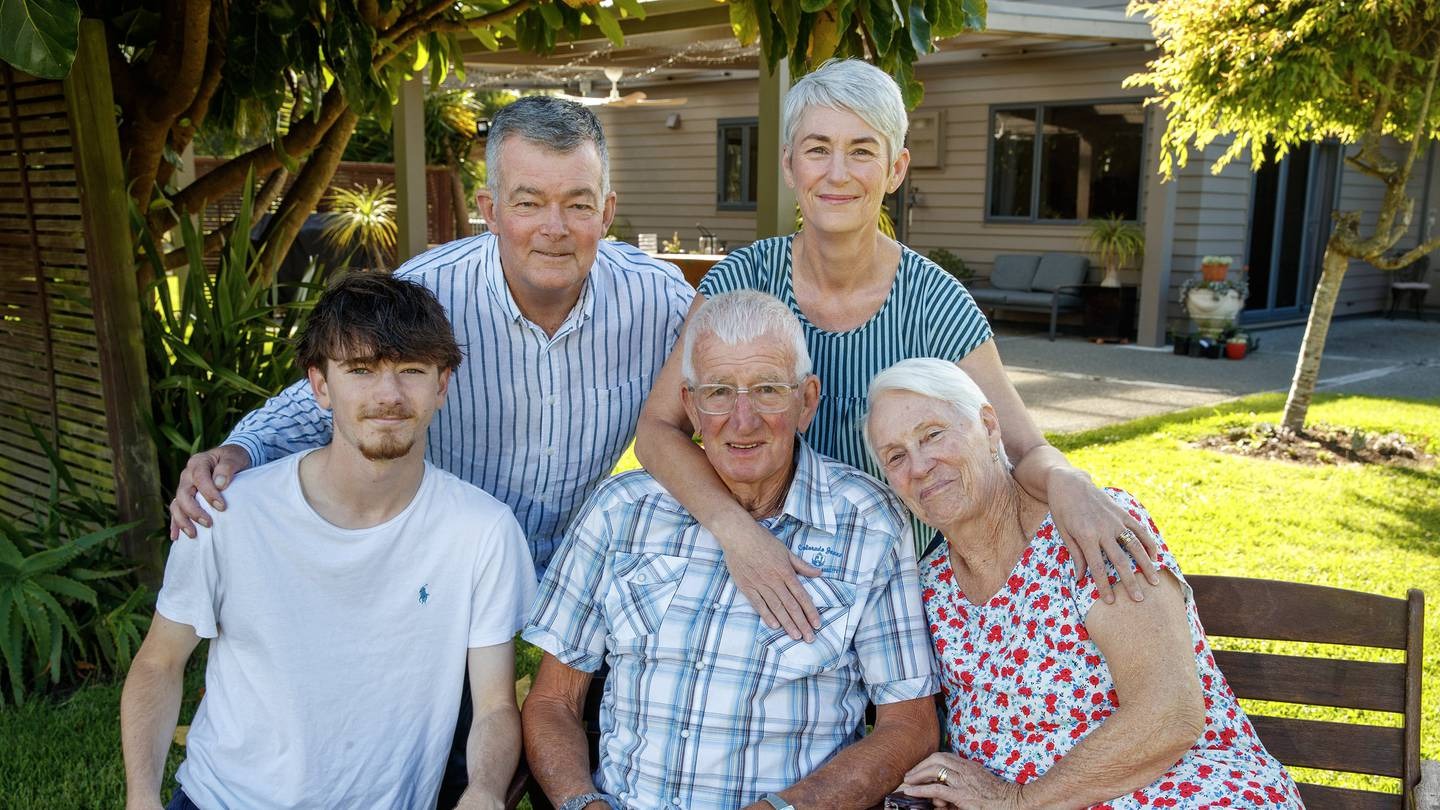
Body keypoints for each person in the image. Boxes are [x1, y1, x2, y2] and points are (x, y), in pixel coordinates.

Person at [163, 95, 694, 804]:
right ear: (489, 208)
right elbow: (327, 394)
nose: (554, 229)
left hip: (580, 576)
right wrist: (237, 450)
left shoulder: (658, 300)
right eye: (529, 202)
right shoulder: (431, 290)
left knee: (598, 769)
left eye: (578, 203)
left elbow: (719, 406)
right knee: (456, 768)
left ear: (607, 208)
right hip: (446, 574)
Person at [635, 58, 1159, 646]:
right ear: (787, 164)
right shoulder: (740, 280)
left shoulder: (934, 301)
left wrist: (1068, 482)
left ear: (895, 168)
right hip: (761, 576)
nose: (838, 173)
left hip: (899, 598)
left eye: (862, 150)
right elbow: (657, 429)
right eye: (817, 149)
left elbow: (1018, 444)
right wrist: (736, 531)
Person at [120, 274, 536, 810]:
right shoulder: (230, 512)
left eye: (411, 370)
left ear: (442, 384)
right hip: (221, 799)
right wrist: (141, 797)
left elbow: (496, 707)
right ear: (319, 386)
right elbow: (159, 663)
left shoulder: (482, 530)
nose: (388, 396)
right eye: (360, 371)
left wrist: (483, 789)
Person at [522, 291, 940, 810]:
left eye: (767, 390)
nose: (742, 421)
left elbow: (911, 725)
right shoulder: (621, 510)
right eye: (718, 392)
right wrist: (582, 803)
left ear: (807, 402)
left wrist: (787, 809)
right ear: (691, 405)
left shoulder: (867, 521)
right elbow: (552, 701)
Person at [864, 358, 1304, 810]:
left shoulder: (1088, 528)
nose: (918, 466)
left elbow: (1169, 712)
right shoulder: (929, 587)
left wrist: (1019, 801)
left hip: (1184, 791)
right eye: (895, 456)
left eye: (933, 434)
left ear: (990, 426)